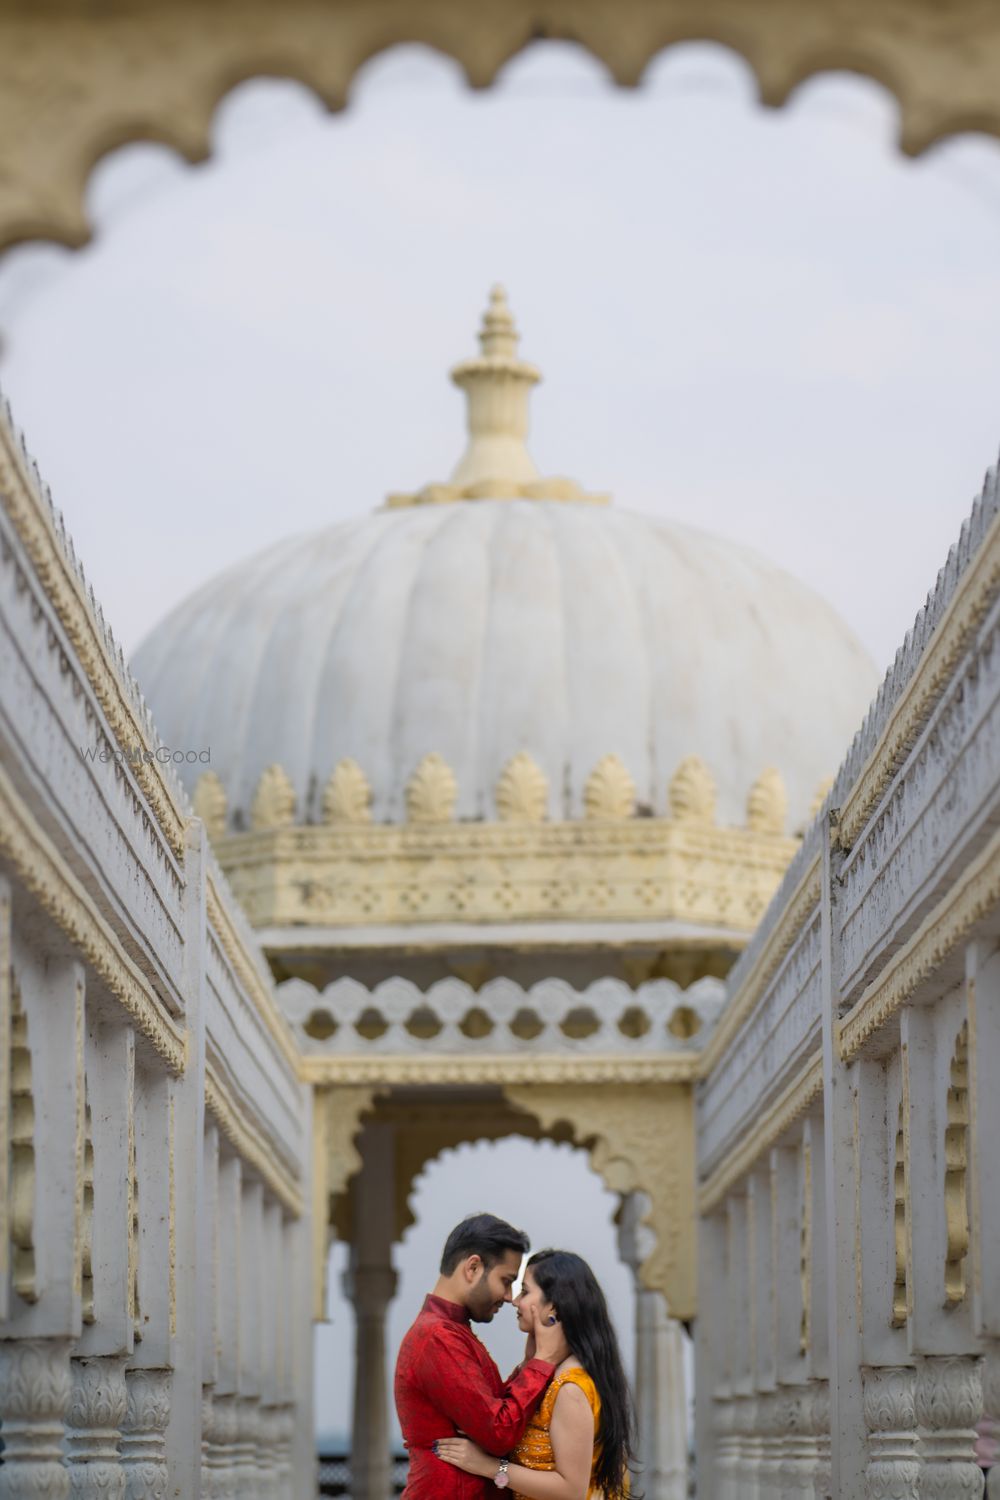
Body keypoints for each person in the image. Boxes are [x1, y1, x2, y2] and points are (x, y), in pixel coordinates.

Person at [434, 1249, 636, 1500]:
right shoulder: (551, 1370)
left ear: (553, 1306)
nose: (515, 1300)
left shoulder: (569, 1386)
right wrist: (531, 1360)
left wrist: (488, 1466)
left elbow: (571, 1490)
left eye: (526, 1291)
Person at [394, 1213, 568, 1498]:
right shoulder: (437, 1337)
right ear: (473, 1267)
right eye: (506, 1280)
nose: (510, 1297)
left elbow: (493, 1413)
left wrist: (528, 1364)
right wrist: (543, 1362)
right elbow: (499, 1432)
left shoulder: (451, 1331)